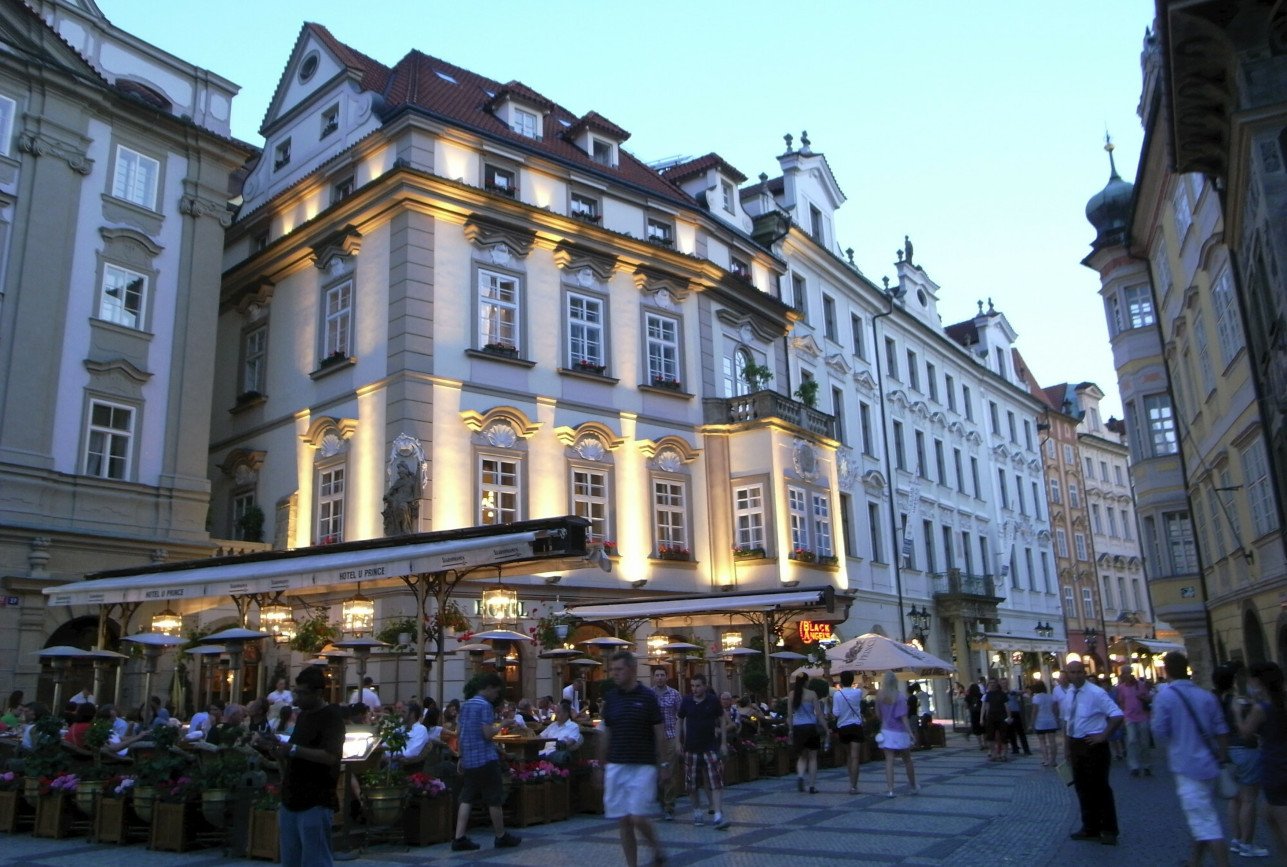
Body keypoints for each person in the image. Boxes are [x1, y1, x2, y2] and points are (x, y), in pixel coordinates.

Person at [1151, 651, 1230, 867]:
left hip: (1186, 766)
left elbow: (1159, 731)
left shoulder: (1165, 697)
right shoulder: (1206, 696)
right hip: (1210, 764)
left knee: (1206, 822)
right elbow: (1222, 730)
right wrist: (1222, 757)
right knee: (1202, 816)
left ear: (1166, 670)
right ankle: (1194, 862)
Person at [263, 666, 344, 867]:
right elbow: (293, 755)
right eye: (296, 692)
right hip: (291, 798)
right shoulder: (303, 716)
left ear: (318, 693)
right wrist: (278, 752)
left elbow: (331, 756)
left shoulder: (331, 717)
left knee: (315, 860)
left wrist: (293, 750)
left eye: (302, 693)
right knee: (290, 860)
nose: (297, 698)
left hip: (315, 800)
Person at [599, 650, 667, 867]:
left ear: (632, 670)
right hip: (617, 763)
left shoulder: (647, 697)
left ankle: (656, 849)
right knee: (624, 820)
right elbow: (606, 731)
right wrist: (599, 765)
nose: (614, 674)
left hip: (642, 764)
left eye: (619, 669)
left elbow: (659, 731)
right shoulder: (611, 698)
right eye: (612, 670)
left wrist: (664, 763)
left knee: (637, 816)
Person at [451, 672, 520, 851]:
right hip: (485, 758)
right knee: (494, 798)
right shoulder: (485, 706)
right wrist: (503, 724)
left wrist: (461, 756)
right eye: (496, 692)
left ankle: (459, 837)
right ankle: (500, 835)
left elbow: (460, 732)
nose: (496, 696)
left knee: (467, 797)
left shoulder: (466, 705)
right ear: (488, 688)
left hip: (469, 759)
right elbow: (487, 733)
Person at [1059, 659, 1123, 845]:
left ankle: (1109, 830)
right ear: (1067, 674)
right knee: (1082, 787)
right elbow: (1067, 722)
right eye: (1073, 672)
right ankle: (1090, 827)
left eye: (1079, 672)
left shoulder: (1096, 692)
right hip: (1076, 743)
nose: (1076, 675)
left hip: (1093, 745)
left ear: (1084, 673)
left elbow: (1117, 715)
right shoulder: (1070, 693)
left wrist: (1103, 736)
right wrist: (1067, 747)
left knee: (1100, 787)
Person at [1215, 662, 1271, 858]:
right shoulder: (1239, 702)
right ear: (1233, 681)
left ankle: (1237, 839)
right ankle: (1247, 842)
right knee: (1248, 799)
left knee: (1235, 799)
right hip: (1245, 750)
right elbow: (1250, 728)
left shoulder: (1215, 700)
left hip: (1227, 751)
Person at [1238, 662, 1287, 859]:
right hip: (1279, 761)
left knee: (1279, 817)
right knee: (1269, 815)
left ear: (1258, 682)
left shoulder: (1262, 708)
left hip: (1275, 765)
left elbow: (1245, 732)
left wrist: (1236, 712)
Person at [677, 673, 728, 829]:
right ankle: (697, 810)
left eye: (698, 685)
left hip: (709, 747)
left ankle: (718, 813)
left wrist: (723, 743)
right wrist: (678, 741)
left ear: (705, 686)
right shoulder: (686, 701)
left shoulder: (712, 701)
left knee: (716, 780)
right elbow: (679, 719)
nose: (695, 689)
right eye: (692, 685)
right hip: (691, 747)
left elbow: (722, 719)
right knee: (691, 784)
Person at [876, 671, 918, 797]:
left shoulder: (879, 696)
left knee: (889, 761)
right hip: (900, 732)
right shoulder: (899, 697)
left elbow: (878, 714)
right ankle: (913, 785)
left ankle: (890, 789)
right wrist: (911, 733)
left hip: (886, 730)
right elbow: (904, 717)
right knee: (907, 760)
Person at [650, 666, 682, 820]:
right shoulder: (649, 695)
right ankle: (662, 804)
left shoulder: (674, 694)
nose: (660, 678)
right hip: (654, 739)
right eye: (657, 675)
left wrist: (679, 740)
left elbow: (681, 716)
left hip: (670, 736)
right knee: (656, 773)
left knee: (669, 771)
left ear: (667, 677)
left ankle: (669, 806)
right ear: (653, 677)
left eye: (663, 675)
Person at [787, 673, 825, 794]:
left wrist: (790, 730)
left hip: (798, 727)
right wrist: (826, 727)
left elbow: (789, 715)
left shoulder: (792, 695)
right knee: (813, 758)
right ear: (806, 682)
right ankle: (812, 786)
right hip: (810, 726)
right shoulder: (812, 694)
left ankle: (800, 776)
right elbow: (818, 714)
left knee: (802, 756)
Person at [832, 670, 865, 794]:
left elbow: (836, 713)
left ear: (841, 680)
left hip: (843, 727)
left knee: (849, 756)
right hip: (856, 726)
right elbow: (863, 696)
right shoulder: (857, 692)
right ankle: (854, 786)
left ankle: (851, 782)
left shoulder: (837, 695)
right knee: (855, 756)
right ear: (852, 681)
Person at [1116, 670, 1154, 776]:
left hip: (1142, 716)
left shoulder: (1141, 685)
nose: (1128, 676)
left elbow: (1148, 698)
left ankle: (1146, 765)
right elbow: (1121, 701)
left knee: (1144, 742)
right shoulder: (1121, 688)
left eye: (1129, 674)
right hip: (1129, 717)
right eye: (1125, 674)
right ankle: (1134, 766)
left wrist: (1143, 698)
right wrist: (1123, 713)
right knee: (1132, 741)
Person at [1028, 680, 1059, 767]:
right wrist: (1056, 719)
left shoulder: (1036, 698)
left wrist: (1031, 723)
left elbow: (1034, 711)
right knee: (1052, 741)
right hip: (1051, 720)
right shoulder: (1051, 696)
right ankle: (1053, 760)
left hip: (1040, 721)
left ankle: (1046, 759)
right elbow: (1055, 709)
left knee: (1042, 741)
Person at [982, 679, 1010, 762]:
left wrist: (1009, 717)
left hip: (1001, 716)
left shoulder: (1002, 694)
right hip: (991, 717)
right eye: (990, 683)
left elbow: (1006, 706)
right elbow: (987, 706)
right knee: (990, 737)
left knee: (1004, 736)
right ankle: (993, 754)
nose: (992, 684)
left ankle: (1004, 754)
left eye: (994, 683)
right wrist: (984, 717)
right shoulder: (988, 694)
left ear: (997, 684)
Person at [1005, 680, 1031, 756]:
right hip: (1007, 713)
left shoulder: (1012, 691)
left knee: (1020, 731)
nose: (1004, 685)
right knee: (1011, 732)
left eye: (1005, 683)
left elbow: (1023, 692)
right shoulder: (1001, 693)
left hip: (1015, 712)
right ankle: (1015, 748)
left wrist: (1015, 693)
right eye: (1003, 683)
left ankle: (1026, 749)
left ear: (1007, 684)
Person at [965, 682, 985, 749]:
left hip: (973, 713)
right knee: (983, 728)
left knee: (977, 729)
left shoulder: (968, 696)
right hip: (981, 713)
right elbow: (984, 704)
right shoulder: (981, 695)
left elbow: (966, 706)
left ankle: (980, 744)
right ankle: (985, 743)